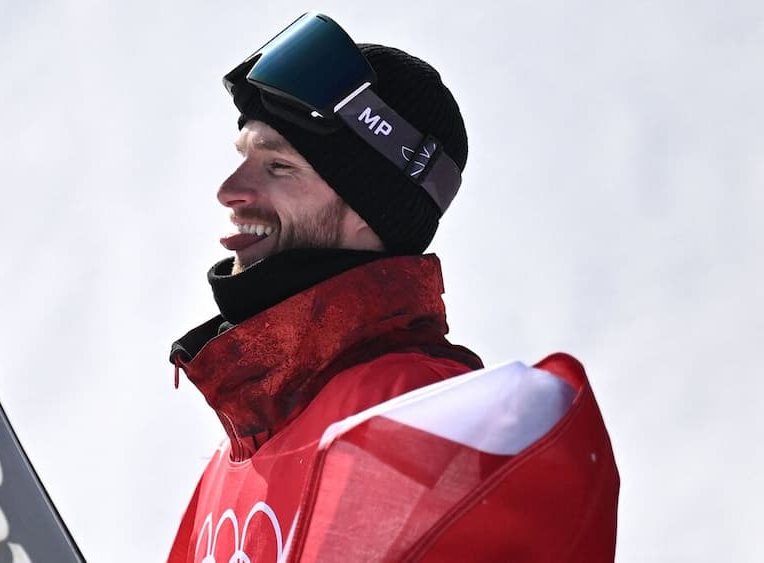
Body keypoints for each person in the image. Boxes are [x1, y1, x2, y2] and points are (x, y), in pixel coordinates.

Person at [167, 13, 619, 562]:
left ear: (368, 212)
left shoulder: (437, 424)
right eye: (244, 158)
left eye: (279, 167)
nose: (229, 191)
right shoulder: (233, 458)